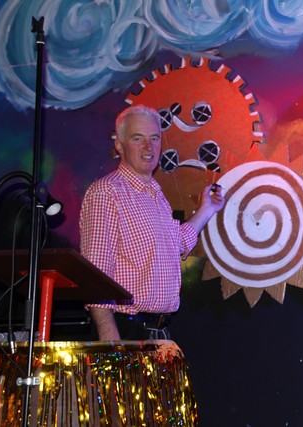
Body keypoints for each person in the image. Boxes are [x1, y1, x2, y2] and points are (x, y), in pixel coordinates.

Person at [79, 104, 225, 341]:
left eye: (154, 138)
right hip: (124, 330)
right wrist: (109, 339)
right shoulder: (107, 192)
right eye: (138, 138)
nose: (148, 147)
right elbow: (96, 275)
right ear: (119, 145)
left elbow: (177, 244)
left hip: (158, 332)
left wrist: (207, 209)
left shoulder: (155, 194)